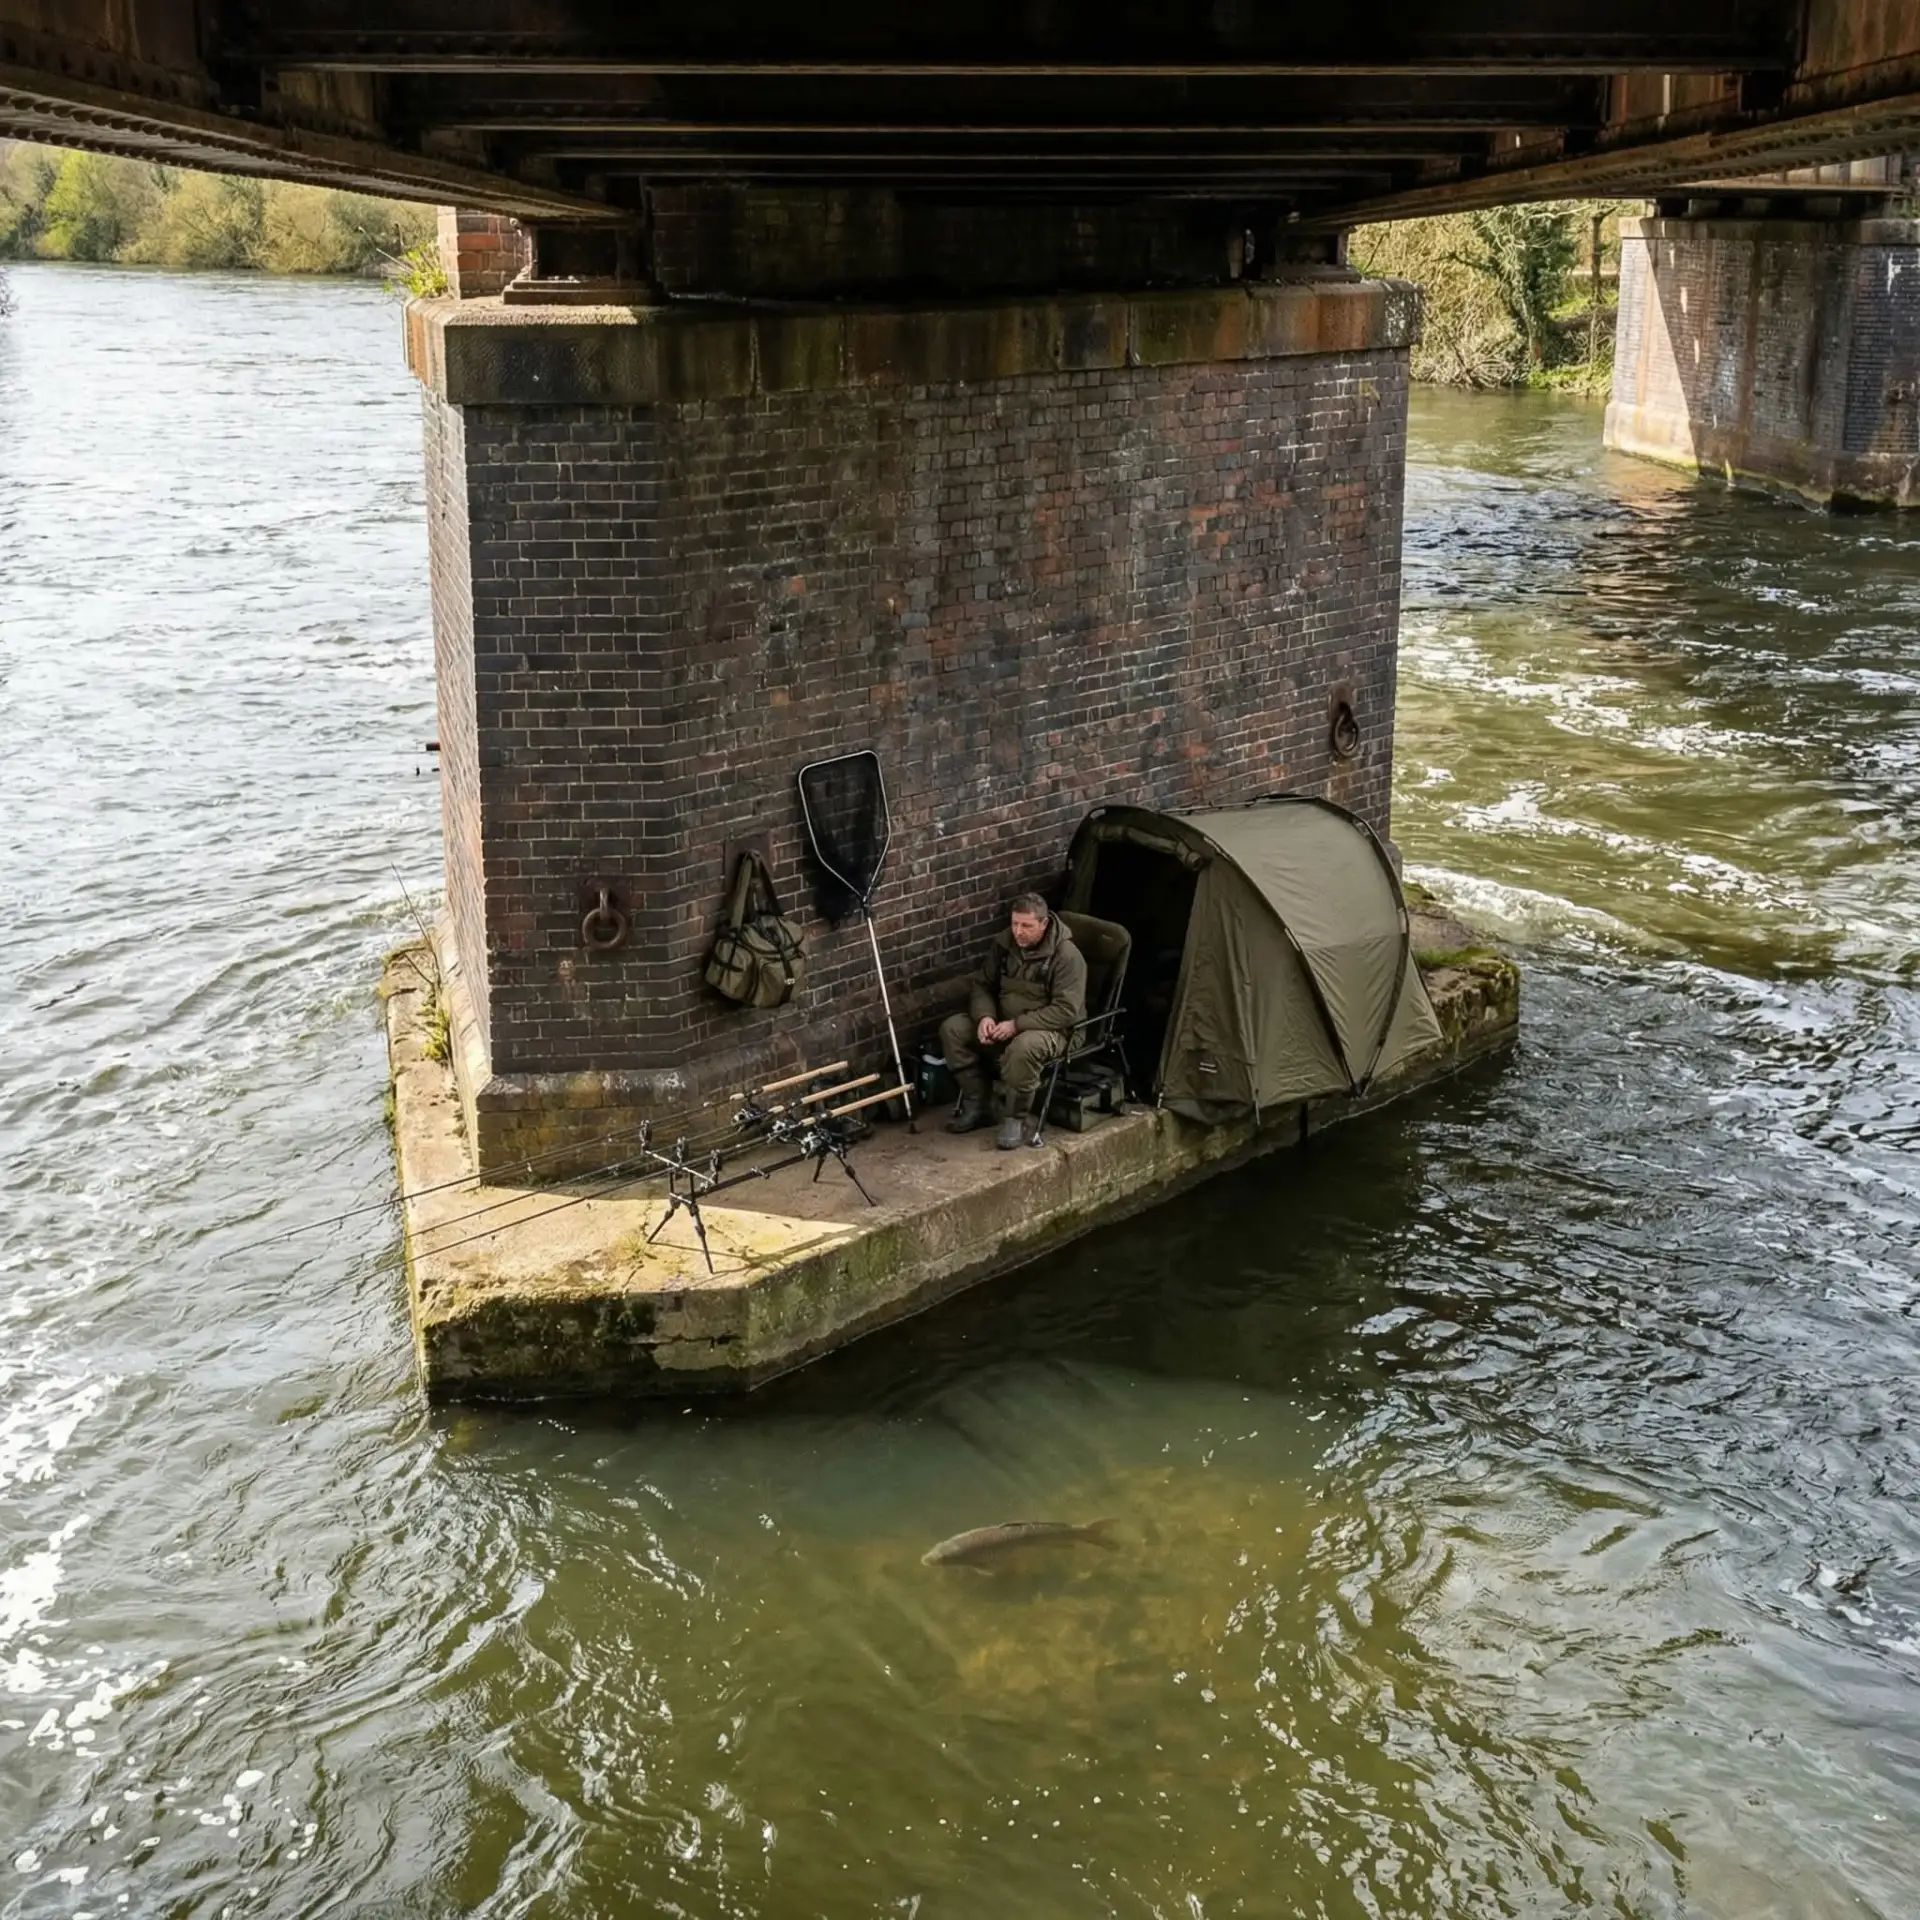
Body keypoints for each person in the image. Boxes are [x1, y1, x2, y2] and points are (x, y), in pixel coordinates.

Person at [939, 892, 1087, 1150]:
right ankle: (978, 1103)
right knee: (953, 1029)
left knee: (1023, 1048)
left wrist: (1017, 1025)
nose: (1018, 932)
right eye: (1015, 924)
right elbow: (983, 985)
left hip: (1055, 1030)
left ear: (1043, 924)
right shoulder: (1005, 945)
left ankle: (1015, 1118)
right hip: (1003, 1022)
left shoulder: (1067, 957)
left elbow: (1065, 1010)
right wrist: (985, 1016)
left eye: (1026, 926)